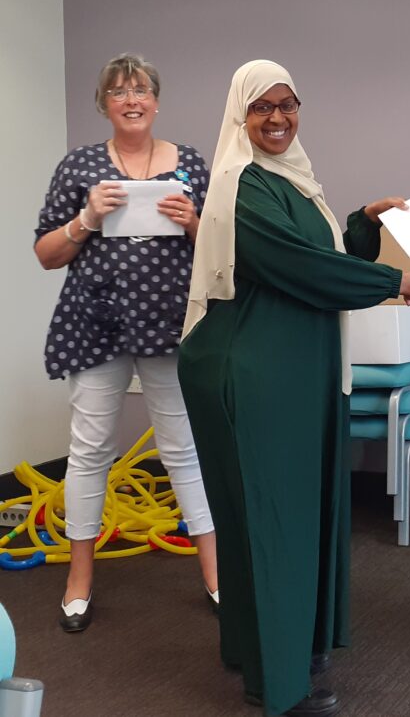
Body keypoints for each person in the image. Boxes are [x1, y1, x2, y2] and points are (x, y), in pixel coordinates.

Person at [177, 60, 410, 717]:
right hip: (254, 370)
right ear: (240, 115)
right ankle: (279, 684)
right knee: (272, 521)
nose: (277, 118)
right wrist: (394, 282)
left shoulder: (293, 181)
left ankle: (282, 649)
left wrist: (361, 222)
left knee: (292, 515)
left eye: (287, 105)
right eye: (261, 107)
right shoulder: (241, 185)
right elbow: (293, 265)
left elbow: (319, 254)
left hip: (294, 368)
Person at [34, 53, 218, 633]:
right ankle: (79, 578)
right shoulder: (79, 167)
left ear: (157, 101)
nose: (131, 99)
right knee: (89, 451)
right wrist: (86, 218)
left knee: (184, 448)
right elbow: (45, 254)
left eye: (141, 89)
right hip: (97, 322)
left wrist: (194, 221)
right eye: (119, 92)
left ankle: (217, 574)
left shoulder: (189, 163)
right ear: (104, 105)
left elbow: (224, 250)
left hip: (170, 324)